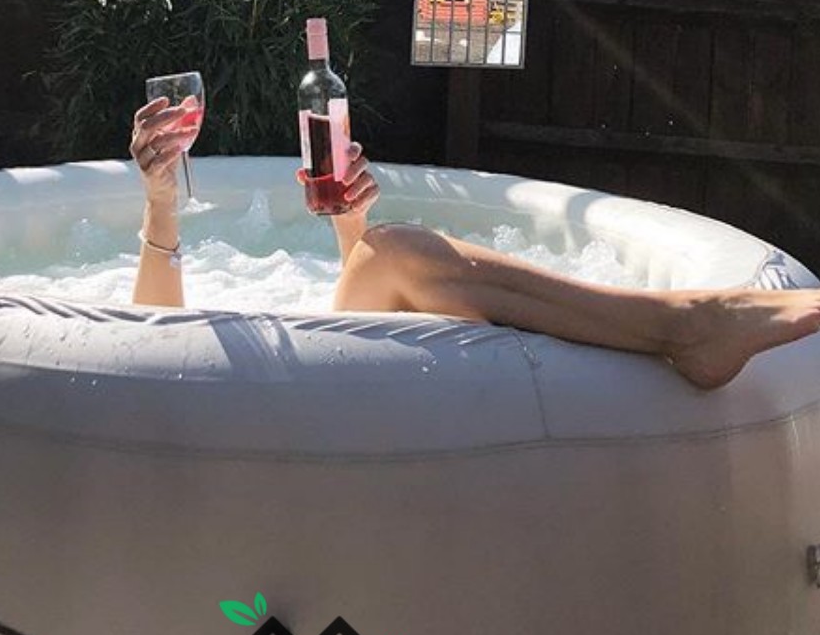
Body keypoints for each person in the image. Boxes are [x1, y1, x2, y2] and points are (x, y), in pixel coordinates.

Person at [129, 96, 820, 390]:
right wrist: (160, 205)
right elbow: (149, 342)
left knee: (386, 249)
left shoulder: (263, 264)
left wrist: (348, 227)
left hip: (302, 378)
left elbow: (352, 336)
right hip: (258, 401)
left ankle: (686, 323)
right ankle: (683, 325)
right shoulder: (161, 249)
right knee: (394, 251)